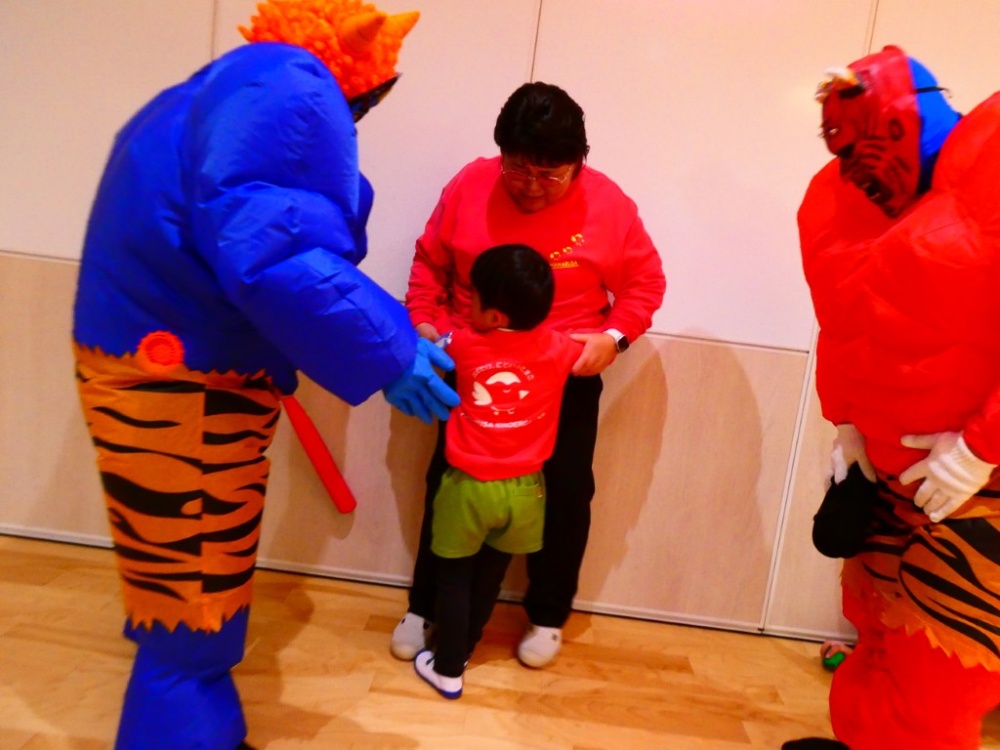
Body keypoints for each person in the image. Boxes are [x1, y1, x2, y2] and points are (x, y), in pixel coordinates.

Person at [71, 2, 459, 748]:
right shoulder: (291, 86)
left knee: (186, 581)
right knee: (192, 593)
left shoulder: (227, 85)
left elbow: (236, 236)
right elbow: (271, 248)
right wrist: (390, 350)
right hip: (183, 377)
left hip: (167, 358)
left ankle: (200, 727)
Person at [391, 81, 666, 668]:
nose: (532, 185)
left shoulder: (609, 204)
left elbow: (645, 285)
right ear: (502, 155)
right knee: (452, 484)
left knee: (566, 492)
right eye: (519, 169)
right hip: (469, 367)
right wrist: (426, 326)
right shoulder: (470, 184)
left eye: (550, 174)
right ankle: (425, 606)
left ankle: (547, 614)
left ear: (577, 163)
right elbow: (429, 265)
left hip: (563, 375)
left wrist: (614, 339)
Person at [784, 45, 1000, 750]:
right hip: (888, 470)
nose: (862, 165)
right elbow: (842, 323)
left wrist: (981, 448)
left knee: (940, 668)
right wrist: (846, 424)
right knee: (874, 626)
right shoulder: (836, 204)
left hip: (978, 484)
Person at [412, 243, 583, 699]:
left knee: (453, 577)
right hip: (526, 491)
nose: (466, 304)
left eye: (472, 297)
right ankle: (465, 649)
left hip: (468, 486)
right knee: (489, 577)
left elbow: (429, 347)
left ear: (493, 314)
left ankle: (448, 668)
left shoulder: (462, 344)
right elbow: (589, 352)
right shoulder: (559, 348)